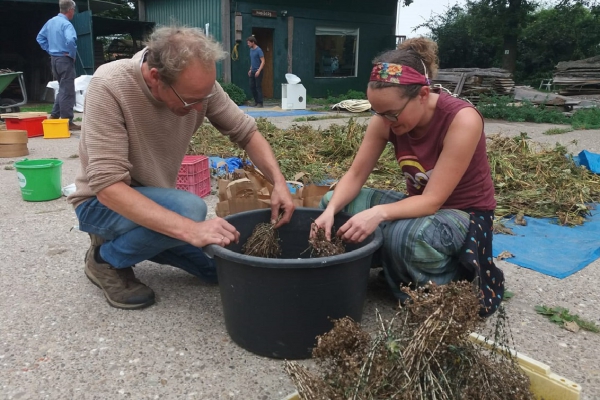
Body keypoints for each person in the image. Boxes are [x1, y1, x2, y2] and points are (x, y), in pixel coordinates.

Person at [67, 26, 295, 310]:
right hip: (100, 205)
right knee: (190, 210)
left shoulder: (199, 87)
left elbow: (246, 132)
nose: (200, 108)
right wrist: (190, 230)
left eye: (204, 98)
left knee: (219, 269)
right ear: (155, 78)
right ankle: (105, 258)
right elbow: (108, 187)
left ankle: (145, 238)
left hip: (158, 200)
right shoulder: (110, 85)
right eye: (191, 100)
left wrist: (279, 183)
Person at [312, 38, 504, 317]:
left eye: (392, 114)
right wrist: (329, 211)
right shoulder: (386, 119)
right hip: (422, 208)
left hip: (465, 215)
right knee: (334, 201)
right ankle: (384, 267)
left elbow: (432, 202)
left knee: (406, 236)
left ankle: (446, 288)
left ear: (423, 95)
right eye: (378, 113)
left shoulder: (462, 119)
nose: (385, 121)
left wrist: (378, 214)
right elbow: (354, 175)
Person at [36, 0, 80, 131]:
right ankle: (67, 121)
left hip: (54, 59)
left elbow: (40, 38)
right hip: (64, 59)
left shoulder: (51, 22)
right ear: (71, 10)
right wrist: (72, 54)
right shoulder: (67, 25)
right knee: (68, 91)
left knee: (62, 88)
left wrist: (50, 50)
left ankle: (55, 115)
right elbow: (71, 40)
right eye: (74, 10)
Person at [247, 36, 265, 108]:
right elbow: (253, 61)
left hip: (258, 71)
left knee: (258, 87)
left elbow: (263, 61)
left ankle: (260, 103)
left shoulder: (259, 50)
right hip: (253, 70)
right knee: (252, 86)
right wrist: (250, 69)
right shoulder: (251, 50)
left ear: (253, 42)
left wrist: (259, 71)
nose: (248, 44)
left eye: (249, 43)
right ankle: (256, 101)